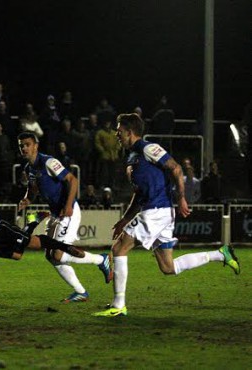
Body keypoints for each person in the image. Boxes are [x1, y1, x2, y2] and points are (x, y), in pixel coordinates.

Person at [93, 113, 240, 317]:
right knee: (168, 267)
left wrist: (181, 197)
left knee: (118, 248)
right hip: (154, 211)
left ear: (129, 131)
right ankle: (221, 254)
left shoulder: (147, 148)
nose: (116, 134)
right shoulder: (132, 156)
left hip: (157, 211)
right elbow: (139, 193)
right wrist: (125, 220)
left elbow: (176, 168)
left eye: (119, 131)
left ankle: (118, 305)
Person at [17, 132, 112, 303]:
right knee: (50, 255)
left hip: (68, 211)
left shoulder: (48, 162)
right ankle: (81, 292)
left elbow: (72, 180)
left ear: (36, 146)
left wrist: (68, 205)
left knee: (58, 255)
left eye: (27, 144)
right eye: (21, 145)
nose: (24, 148)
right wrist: (27, 199)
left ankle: (101, 259)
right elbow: (33, 190)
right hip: (56, 214)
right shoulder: (28, 168)